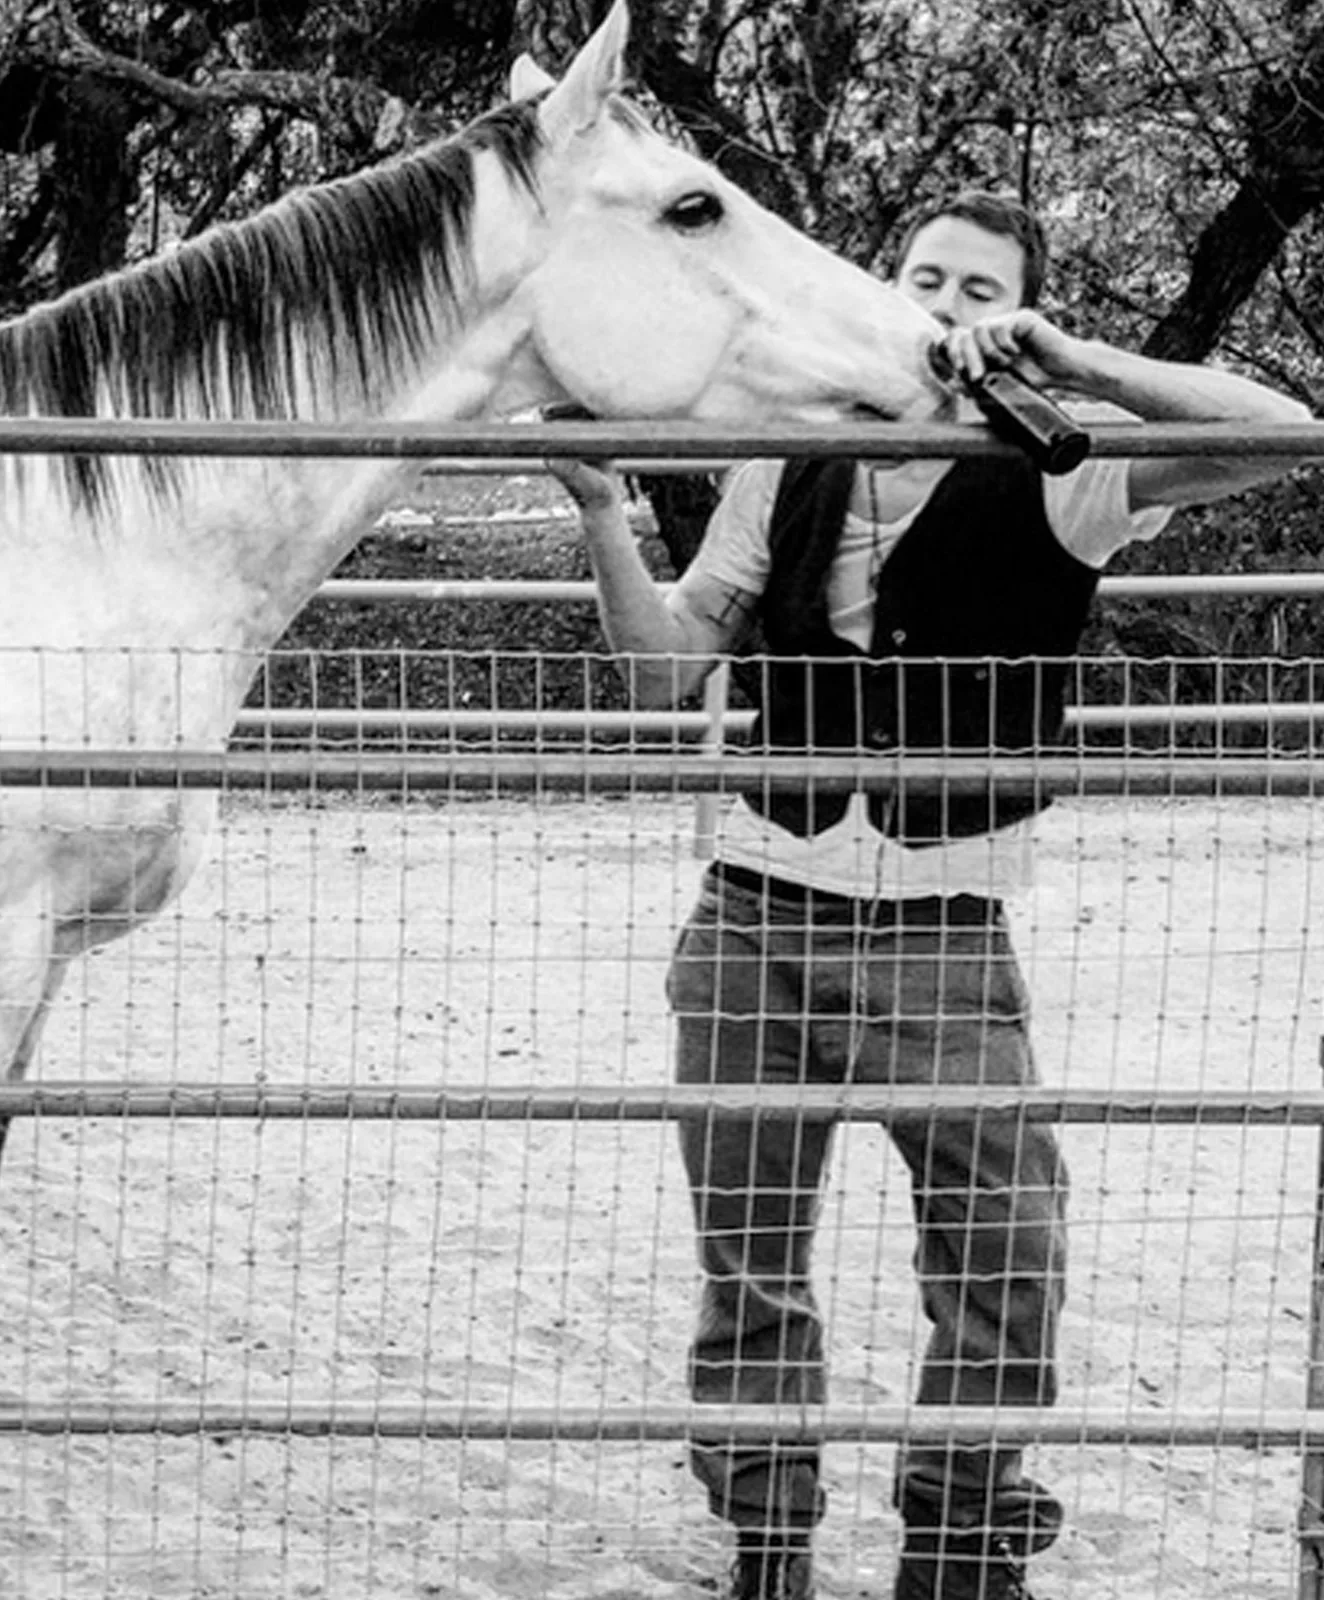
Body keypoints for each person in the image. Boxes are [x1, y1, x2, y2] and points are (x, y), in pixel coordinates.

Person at [547, 191, 1313, 1600]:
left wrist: (1075, 362)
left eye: (980, 288)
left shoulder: (1070, 466)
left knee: (1007, 1254)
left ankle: (961, 1537)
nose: (946, 305)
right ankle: (767, 1539)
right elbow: (664, 678)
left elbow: (1278, 433)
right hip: (754, 918)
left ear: (1014, 313)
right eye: (923, 278)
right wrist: (603, 507)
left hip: (947, 937)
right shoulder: (794, 458)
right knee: (753, 1264)